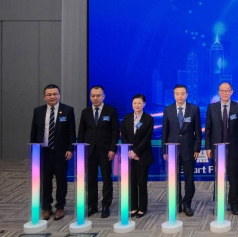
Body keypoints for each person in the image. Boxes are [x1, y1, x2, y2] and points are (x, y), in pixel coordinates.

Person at [30, 84, 76, 221]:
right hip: (43, 152)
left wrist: (70, 149)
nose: (52, 96)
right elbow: (34, 132)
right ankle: (47, 207)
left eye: (55, 94)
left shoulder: (67, 110)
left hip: (61, 153)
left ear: (59, 95)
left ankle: (60, 207)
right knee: (45, 181)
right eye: (49, 94)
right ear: (44, 97)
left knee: (61, 180)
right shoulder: (38, 111)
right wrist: (34, 150)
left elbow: (71, 132)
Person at [78, 85, 120, 218]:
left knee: (107, 179)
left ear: (103, 96)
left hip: (106, 151)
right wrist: (81, 149)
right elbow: (81, 132)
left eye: (98, 96)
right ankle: (92, 205)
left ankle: (106, 205)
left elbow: (115, 132)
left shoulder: (111, 111)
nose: (95, 98)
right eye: (93, 96)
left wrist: (112, 149)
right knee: (91, 179)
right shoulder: (85, 112)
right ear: (90, 97)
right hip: (89, 151)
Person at [205, 82, 238, 215]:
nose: (225, 93)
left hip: (233, 148)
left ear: (231, 92)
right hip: (217, 149)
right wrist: (208, 147)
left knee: (234, 177)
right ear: (218, 92)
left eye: (227, 90)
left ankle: (235, 204)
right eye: (222, 91)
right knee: (218, 178)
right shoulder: (212, 108)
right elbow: (208, 129)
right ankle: (219, 204)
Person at [161, 84, 202, 216]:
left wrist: (197, 148)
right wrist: (164, 150)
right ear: (174, 95)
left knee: (189, 178)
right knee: (174, 178)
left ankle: (187, 204)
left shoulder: (194, 109)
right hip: (172, 150)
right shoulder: (168, 110)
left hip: (189, 149)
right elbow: (165, 132)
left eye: (182, 93)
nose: (180, 96)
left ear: (187, 95)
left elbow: (198, 132)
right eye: (177, 93)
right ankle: (177, 202)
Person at [120, 94, 154, 218]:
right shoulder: (127, 118)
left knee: (142, 183)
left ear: (144, 104)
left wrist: (136, 152)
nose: (137, 105)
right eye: (134, 103)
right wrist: (130, 151)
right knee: (132, 183)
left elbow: (147, 138)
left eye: (139, 103)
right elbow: (123, 135)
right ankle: (133, 207)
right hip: (129, 156)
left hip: (142, 155)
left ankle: (142, 208)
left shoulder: (148, 119)